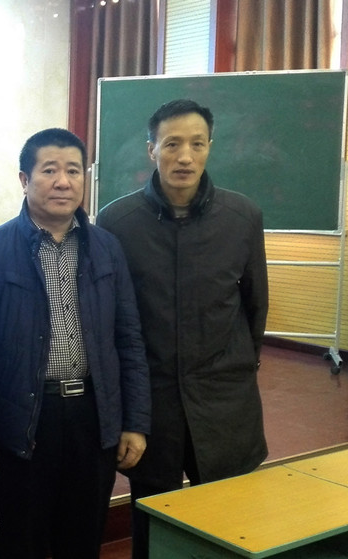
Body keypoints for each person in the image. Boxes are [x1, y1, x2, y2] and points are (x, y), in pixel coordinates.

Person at [96, 99, 269, 558]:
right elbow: (111, 319)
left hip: (224, 398)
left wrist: (236, 366)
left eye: (197, 144)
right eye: (172, 144)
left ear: (210, 147)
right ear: (151, 149)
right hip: (152, 401)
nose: (185, 157)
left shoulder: (243, 216)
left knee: (230, 522)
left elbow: (255, 305)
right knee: (152, 519)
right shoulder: (117, 222)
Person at [0, 128, 151, 558]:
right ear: (24, 179)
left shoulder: (107, 248)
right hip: (23, 420)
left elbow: (129, 338)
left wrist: (135, 422)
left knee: (82, 540)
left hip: (93, 415)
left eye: (73, 170)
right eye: (49, 170)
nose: (63, 182)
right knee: (21, 541)